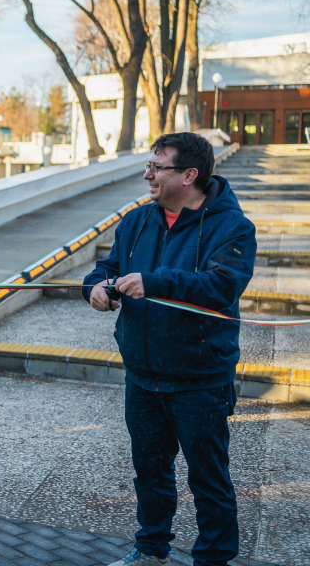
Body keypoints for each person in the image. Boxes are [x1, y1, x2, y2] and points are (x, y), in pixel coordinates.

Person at [82, 132, 256, 566]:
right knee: (151, 474)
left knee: (208, 480)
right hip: (143, 376)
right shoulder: (138, 221)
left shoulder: (233, 227)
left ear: (189, 174)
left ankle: (213, 559)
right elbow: (108, 267)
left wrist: (154, 281)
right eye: (149, 166)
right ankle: (150, 549)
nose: (148, 175)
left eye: (157, 168)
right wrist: (95, 287)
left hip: (200, 380)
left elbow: (221, 286)